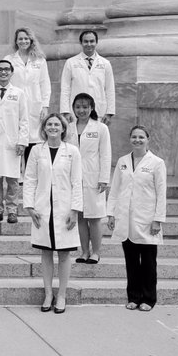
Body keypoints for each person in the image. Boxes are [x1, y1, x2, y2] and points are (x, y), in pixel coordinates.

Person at [23, 113, 84, 314]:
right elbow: (30, 179)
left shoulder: (72, 151)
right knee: (46, 252)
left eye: (57, 124)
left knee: (65, 253)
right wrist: (30, 208)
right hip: (42, 209)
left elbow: (77, 182)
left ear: (63, 128)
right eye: (49, 124)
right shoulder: (36, 151)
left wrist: (75, 210)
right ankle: (48, 293)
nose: (53, 127)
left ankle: (62, 295)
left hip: (65, 209)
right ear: (44, 128)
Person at [107, 125, 166, 311]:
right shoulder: (123, 161)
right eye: (134, 137)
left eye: (141, 137)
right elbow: (115, 189)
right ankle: (133, 297)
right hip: (126, 220)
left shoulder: (157, 163)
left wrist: (158, 219)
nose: (137, 140)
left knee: (148, 263)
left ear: (148, 139)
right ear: (129, 139)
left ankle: (148, 299)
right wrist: (111, 214)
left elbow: (161, 193)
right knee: (131, 262)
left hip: (148, 220)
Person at [0, 60, 30, 225]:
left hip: (12, 142)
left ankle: (12, 211)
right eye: (0, 69)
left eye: (6, 70)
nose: (3, 72)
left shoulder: (19, 93)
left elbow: (24, 119)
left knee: (12, 179)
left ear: (11, 72)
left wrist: (22, 141)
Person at [72, 93, 111, 265]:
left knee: (94, 217)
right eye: (78, 107)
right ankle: (84, 251)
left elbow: (105, 154)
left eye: (85, 107)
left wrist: (104, 178)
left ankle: (96, 252)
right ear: (73, 108)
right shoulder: (69, 127)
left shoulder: (100, 128)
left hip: (93, 177)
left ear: (92, 108)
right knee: (80, 216)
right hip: (73, 178)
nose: (81, 110)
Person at [6, 27, 50, 160]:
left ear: (31, 40)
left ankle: (30, 174)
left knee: (34, 138)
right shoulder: (9, 59)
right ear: (16, 41)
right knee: (17, 136)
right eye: (20, 38)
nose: (23, 41)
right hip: (14, 103)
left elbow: (45, 84)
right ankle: (17, 175)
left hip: (34, 104)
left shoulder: (40, 60)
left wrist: (45, 106)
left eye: (26, 38)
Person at [60, 29, 115, 126]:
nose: (89, 44)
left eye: (92, 41)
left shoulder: (105, 64)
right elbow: (65, 88)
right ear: (81, 43)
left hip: (99, 110)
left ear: (96, 42)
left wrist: (109, 112)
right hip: (76, 111)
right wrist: (65, 111)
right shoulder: (71, 63)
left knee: (96, 138)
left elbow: (110, 89)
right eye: (86, 41)